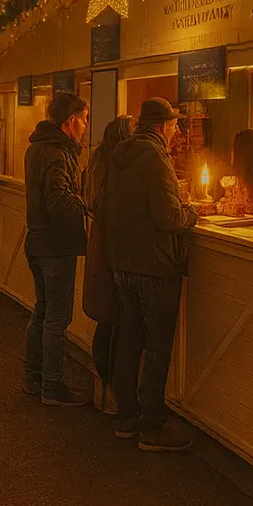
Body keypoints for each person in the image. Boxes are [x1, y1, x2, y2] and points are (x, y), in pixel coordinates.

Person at [102, 97, 199, 451]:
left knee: (130, 341)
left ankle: (127, 416)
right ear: (161, 127)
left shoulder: (119, 154)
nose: (177, 133)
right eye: (174, 126)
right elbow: (168, 218)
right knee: (157, 348)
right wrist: (192, 213)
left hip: (123, 263)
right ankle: (153, 425)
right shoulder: (156, 159)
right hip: (154, 267)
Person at [22, 92, 90, 407]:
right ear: (69, 121)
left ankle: (33, 377)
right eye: (84, 119)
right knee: (56, 317)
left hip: (37, 241)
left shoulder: (37, 148)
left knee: (42, 310)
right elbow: (59, 201)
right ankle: (52, 385)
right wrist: (86, 204)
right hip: (55, 245)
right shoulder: (57, 154)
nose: (86, 126)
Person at [82, 115, 135, 412]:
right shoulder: (120, 166)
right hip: (115, 252)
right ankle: (113, 391)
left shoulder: (97, 160)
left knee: (106, 321)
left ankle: (102, 385)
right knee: (117, 323)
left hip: (100, 249)